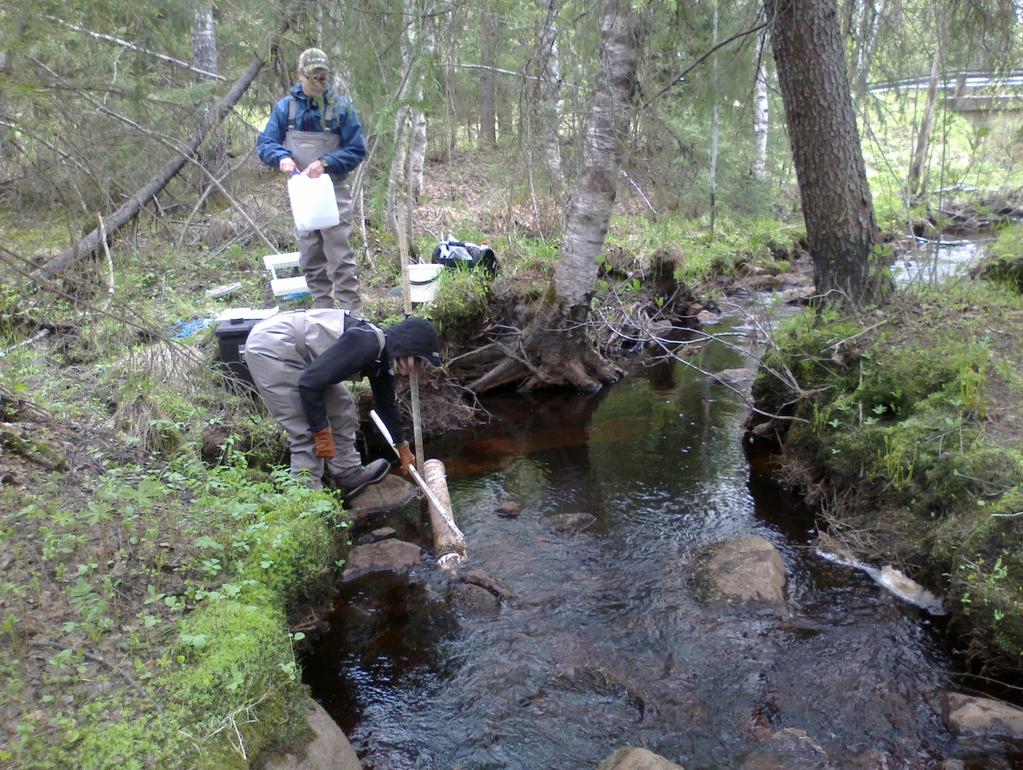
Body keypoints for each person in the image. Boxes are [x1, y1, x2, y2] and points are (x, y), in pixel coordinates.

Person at [245, 310, 441, 497]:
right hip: (273, 348)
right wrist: (322, 432)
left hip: (301, 357)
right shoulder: (367, 343)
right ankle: (306, 500)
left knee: (341, 405)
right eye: (418, 363)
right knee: (305, 431)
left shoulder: (382, 358)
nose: (414, 371)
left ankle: (348, 474)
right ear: (407, 348)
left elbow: (386, 403)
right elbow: (309, 383)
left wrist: (402, 445)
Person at [257, 48, 367, 311]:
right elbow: (265, 143)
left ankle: (354, 314)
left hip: (332, 189)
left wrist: (326, 162)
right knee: (310, 253)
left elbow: (356, 150)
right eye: (314, 77)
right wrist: (281, 157)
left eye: (323, 78)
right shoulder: (286, 108)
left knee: (339, 253)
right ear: (300, 76)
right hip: (302, 191)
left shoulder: (340, 109)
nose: (319, 83)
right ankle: (323, 312)